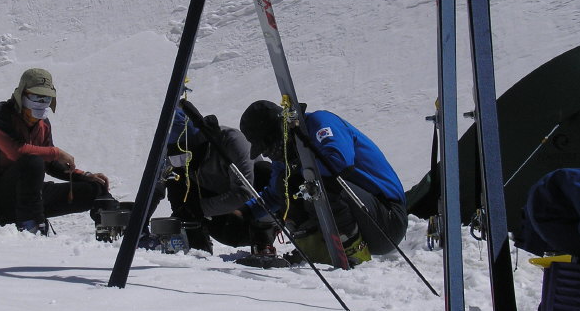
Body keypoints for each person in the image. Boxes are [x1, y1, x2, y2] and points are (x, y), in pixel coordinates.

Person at [237, 100, 407, 267]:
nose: (268, 154)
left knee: (317, 183)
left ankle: (352, 251)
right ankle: (314, 250)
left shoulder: (320, 122)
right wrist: (244, 213)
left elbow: (339, 162)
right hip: (366, 216)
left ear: (280, 130)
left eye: (268, 146)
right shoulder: (287, 153)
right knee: (287, 184)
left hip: (386, 220)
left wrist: (298, 170)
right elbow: (275, 194)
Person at [0, 68, 112, 234]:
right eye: (35, 96)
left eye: (46, 98)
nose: (40, 102)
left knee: (95, 188)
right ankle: (31, 225)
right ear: (22, 94)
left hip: (30, 195)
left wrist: (84, 175)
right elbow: (16, 152)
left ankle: (116, 229)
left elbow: (51, 164)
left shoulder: (43, 124)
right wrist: (56, 152)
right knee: (32, 162)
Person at [150, 104, 274, 254]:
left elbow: (244, 192)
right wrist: (139, 225)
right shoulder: (176, 155)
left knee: (265, 172)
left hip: (248, 215)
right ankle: (195, 244)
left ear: (199, 143)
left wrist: (199, 208)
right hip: (219, 220)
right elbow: (155, 189)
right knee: (175, 177)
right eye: (176, 158)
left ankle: (263, 243)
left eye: (185, 156)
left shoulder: (232, 141)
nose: (183, 162)